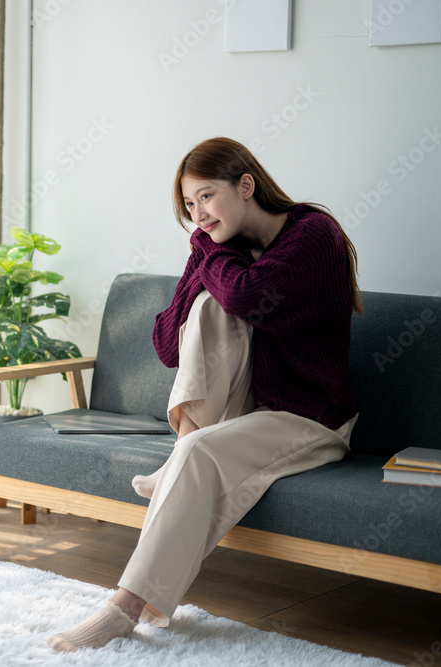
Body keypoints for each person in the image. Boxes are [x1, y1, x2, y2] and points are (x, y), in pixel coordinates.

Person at [47, 137, 363, 652]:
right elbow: (168, 343)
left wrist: (209, 251)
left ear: (246, 185)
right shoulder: (224, 246)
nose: (199, 216)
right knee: (209, 310)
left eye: (206, 198)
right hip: (245, 404)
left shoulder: (313, 235)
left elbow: (246, 294)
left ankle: (122, 609)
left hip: (311, 417)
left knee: (222, 317)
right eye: (189, 207)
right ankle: (182, 458)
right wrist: (207, 255)